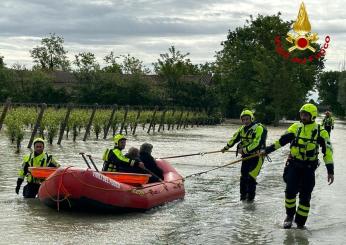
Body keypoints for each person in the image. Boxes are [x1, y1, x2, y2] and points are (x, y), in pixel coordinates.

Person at [263, 103, 334, 229]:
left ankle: (300, 223)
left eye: (306, 115)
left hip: (309, 168)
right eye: (302, 114)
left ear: (312, 116)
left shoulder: (321, 132)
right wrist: (266, 151)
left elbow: (327, 152)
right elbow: (281, 142)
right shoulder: (295, 127)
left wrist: (330, 171)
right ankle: (289, 216)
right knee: (290, 192)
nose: (303, 117)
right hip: (294, 165)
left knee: (305, 197)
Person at [221, 109, 267, 202]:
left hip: (257, 156)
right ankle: (242, 198)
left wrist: (244, 150)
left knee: (251, 177)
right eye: (243, 120)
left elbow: (257, 143)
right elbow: (234, 139)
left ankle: (250, 200)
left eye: (247, 119)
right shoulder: (242, 129)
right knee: (243, 177)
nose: (245, 121)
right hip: (246, 156)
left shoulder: (259, 128)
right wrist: (226, 148)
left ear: (252, 119)